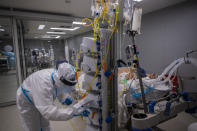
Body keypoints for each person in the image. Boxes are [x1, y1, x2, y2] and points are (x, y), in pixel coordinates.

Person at [16, 62, 85, 131]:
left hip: (38, 94)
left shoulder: (57, 76)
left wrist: (64, 98)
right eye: (68, 84)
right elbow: (48, 112)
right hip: (26, 100)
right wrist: (72, 112)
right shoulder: (44, 85)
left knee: (44, 124)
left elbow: (58, 87)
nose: (69, 88)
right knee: (33, 126)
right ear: (61, 80)